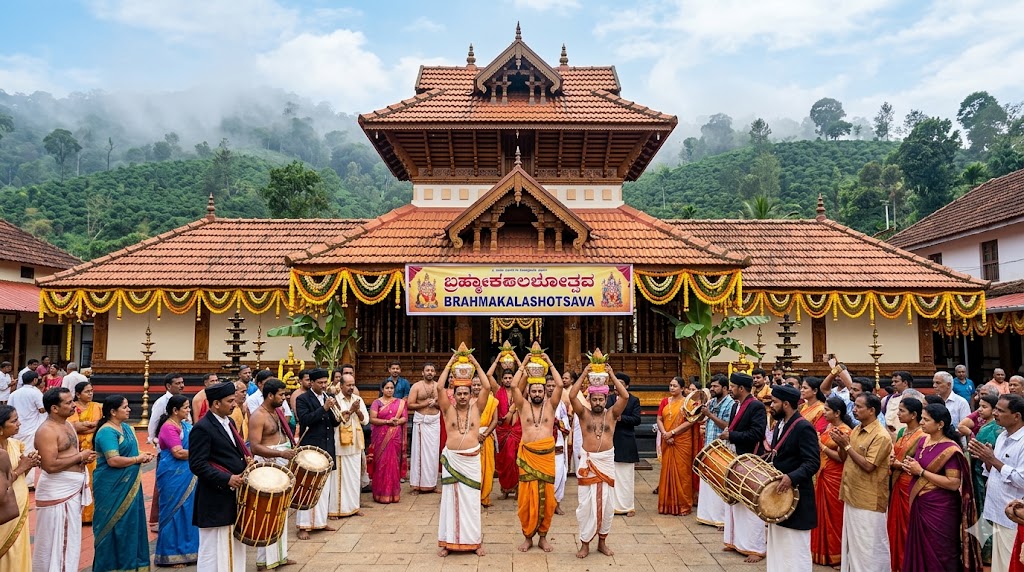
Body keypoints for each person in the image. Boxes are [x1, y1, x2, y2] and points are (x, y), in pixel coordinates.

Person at [897, 403, 981, 570]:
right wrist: (911, 467)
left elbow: (953, 483)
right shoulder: (922, 441)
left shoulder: (950, 449)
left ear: (940, 424)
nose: (921, 422)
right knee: (918, 546)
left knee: (940, 549)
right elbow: (919, 467)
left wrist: (920, 472)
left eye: (926, 420)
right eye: (922, 418)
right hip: (920, 503)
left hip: (941, 508)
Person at [32, 387, 97, 571]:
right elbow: (50, 466)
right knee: (59, 542)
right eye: (68, 402)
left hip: (70, 492)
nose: (74, 405)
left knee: (68, 542)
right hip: (57, 492)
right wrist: (80, 457)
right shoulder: (46, 431)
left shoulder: (66, 423)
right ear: (54, 408)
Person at [189, 381, 250, 571]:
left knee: (234, 546)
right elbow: (197, 464)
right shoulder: (202, 428)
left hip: (232, 496)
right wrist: (227, 479)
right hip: (214, 498)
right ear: (216, 403)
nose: (234, 404)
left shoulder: (229, 422)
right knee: (213, 549)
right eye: (230, 401)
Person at [504, 350, 561, 553]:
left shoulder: (552, 406)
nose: (537, 394)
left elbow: (561, 385)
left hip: (546, 457)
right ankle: (527, 536)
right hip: (528, 456)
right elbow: (512, 385)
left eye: (540, 391)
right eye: (534, 391)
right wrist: (524, 364)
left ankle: (543, 537)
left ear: (545, 391)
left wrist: (549, 363)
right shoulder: (522, 406)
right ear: (528, 391)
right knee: (526, 500)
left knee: (548, 500)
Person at [569, 364, 628, 558]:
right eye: (594, 399)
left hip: (606, 462)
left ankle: (602, 542)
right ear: (589, 399)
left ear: (606, 399)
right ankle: (585, 544)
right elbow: (571, 396)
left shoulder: (611, 414)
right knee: (585, 506)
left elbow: (625, 397)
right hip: (589, 464)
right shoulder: (583, 414)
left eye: (601, 399)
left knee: (608, 505)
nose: (597, 402)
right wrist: (585, 374)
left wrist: (611, 374)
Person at [435, 352, 490, 557]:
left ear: (470, 394)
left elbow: (486, 386)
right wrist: (451, 362)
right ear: (454, 395)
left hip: (471, 460)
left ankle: (474, 542)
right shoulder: (447, 409)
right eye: (459, 393)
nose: (463, 396)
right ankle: (448, 543)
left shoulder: (477, 409)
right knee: (450, 502)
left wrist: (475, 363)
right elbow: (439, 387)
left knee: (472, 502)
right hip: (453, 459)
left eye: (466, 393)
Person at [831, 392, 892, 572]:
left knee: (870, 547)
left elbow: (868, 466)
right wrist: (841, 445)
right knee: (854, 546)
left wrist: (847, 446)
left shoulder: (881, 435)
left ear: (872, 410)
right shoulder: (857, 429)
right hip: (852, 494)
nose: (854, 410)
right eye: (854, 406)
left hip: (869, 499)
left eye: (859, 407)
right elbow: (844, 458)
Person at [93, 394, 154, 572]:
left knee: (131, 524)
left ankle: (132, 565)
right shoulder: (106, 431)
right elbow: (113, 460)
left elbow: (130, 450)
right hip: (111, 486)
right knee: (113, 525)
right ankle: (111, 566)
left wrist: (144, 454)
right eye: (125, 407)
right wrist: (137, 459)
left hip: (130, 486)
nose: (129, 409)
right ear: (113, 411)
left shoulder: (127, 428)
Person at [762, 385, 820, 572]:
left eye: (775, 402)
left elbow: (812, 462)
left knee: (795, 549)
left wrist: (791, 477)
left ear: (786, 404)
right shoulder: (780, 424)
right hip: (781, 498)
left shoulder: (803, 427)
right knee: (779, 547)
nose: (771, 405)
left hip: (798, 498)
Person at [969, 393, 1024, 571]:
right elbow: (993, 472)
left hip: (1015, 518)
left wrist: (993, 460)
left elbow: (1022, 480)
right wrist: (986, 458)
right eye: (996, 409)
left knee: (1012, 564)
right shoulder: (1001, 436)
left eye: (1001, 410)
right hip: (997, 511)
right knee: (999, 566)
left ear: (1016, 416)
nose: (995, 413)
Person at [249, 378, 297, 570]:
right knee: (267, 512)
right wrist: (280, 453)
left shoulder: (277, 411)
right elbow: (254, 447)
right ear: (270, 395)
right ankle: (264, 561)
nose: (284, 397)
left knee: (281, 512)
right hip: (268, 466)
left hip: (282, 463)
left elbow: (283, 436)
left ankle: (280, 555)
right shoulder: (258, 416)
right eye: (281, 394)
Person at [720, 372, 767, 562]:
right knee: (736, 503)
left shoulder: (755, 405)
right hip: (737, 457)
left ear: (741, 388)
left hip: (751, 459)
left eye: (732, 386)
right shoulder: (736, 406)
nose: (730, 389)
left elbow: (756, 433)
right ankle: (737, 542)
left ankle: (755, 548)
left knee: (751, 504)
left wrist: (730, 436)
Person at [295, 369, 341, 539]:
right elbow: (306, 420)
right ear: (311, 382)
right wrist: (324, 408)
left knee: (324, 486)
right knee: (307, 486)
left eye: (325, 382)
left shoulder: (327, 397)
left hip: (327, 446)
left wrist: (336, 410)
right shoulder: (302, 399)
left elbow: (334, 422)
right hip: (311, 448)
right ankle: (303, 525)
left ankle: (320, 521)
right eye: (320, 383)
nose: (323, 386)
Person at [154, 395, 199, 568]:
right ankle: (170, 554)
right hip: (173, 474)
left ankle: (189, 551)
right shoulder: (168, 428)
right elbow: (178, 453)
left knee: (188, 511)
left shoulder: (185, 426)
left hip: (188, 473)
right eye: (186, 408)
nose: (189, 411)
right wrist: (202, 452)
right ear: (175, 410)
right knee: (173, 511)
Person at [812, 396, 852, 567]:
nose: (823, 412)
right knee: (821, 514)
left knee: (835, 517)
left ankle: (837, 555)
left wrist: (820, 445)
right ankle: (821, 552)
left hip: (835, 477)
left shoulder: (845, 431)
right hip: (823, 474)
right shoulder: (828, 426)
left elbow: (841, 458)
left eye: (827, 410)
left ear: (837, 413)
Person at [0, 405, 40, 571]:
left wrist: (29, 464)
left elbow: (17, 476)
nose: (19, 424)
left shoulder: (15, 445)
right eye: (14, 421)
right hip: (4, 516)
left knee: (18, 553)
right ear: (0, 429)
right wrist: (21, 468)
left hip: (18, 510)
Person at [887, 396, 924, 571]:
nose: (898, 413)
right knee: (895, 526)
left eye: (902, 410)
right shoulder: (902, 433)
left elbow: (920, 465)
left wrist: (898, 464)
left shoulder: (923, 436)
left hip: (910, 485)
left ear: (914, 414)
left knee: (907, 527)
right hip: (897, 484)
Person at [656, 376, 699, 516]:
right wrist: (665, 434)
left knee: (682, 473)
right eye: (670, 385)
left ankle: (683, 505)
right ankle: (667, 505)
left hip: (682, 441)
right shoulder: (664, 401)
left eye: (675, 386)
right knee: (666, 471)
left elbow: (691, 422)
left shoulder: (689, 403)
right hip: (667, 440)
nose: (672, 388)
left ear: (682, 388)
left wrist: (673, 433)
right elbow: (659, 419)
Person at [696, 374, 733, 527]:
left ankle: (721, 519)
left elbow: (727, 425)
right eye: (711, 386)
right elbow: (700, 419)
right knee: (707, 482)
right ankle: (707, 516)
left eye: (715, 386)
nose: (712, 389)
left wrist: (710, 414)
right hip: (708, 445)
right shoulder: (711, 402)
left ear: (724, 388)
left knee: (719, 482)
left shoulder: (730, 404)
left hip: (722, 448)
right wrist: (700, 410)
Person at [329, 373, 367, 518]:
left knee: (353, 478)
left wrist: (357, 410)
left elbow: (365, 420)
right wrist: (351, 410)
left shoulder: (358, 399)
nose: (351, 388)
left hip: (355, 444)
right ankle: (336, 510)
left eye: (353, 385)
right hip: (340, 445)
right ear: (341, 385)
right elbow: (339, 420)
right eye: (348, 385)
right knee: (338, 479)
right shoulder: (335, 401)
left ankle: (353, 507)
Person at [606, 371, 640, 517]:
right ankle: (612, 506)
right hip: (611, 439)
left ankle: (628, 506)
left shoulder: (633, 400)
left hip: (626, 440)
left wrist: (621, 418)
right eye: (616, 382)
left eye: (621, 383)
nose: (617, 386)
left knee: (626, 476)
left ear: (627, 386)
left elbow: (637, 420)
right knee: (611, 474)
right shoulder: (609, 399)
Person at [68, 381, 101, 523]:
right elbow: (73, 426)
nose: (90, 393)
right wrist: (91, 425)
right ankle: (80, 515)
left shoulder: (98, 406)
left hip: (94, 449)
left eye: (91, 391)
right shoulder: (73, 408)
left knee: (93, 482)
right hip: (78, 449)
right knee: (78, 482)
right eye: (87, 391)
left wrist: (88, 426)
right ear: (77, 394)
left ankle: (91, 515)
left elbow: (100, 424)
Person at [369, 378, 406, 504]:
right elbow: (372, 419)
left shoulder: (400, 402)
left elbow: (404, 418)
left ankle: (393, 494)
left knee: (393, 463)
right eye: (387, 388)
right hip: (380, 437)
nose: (389, 390)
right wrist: (387, 422)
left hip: (395, 436)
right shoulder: (376, 403)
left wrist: (396, 421)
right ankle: (380, 494)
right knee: (381, 464)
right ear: (382, 389)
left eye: (391, 388)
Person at [408, 363, 443, 494]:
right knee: (419, 454)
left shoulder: (439, 387)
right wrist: (424, 403)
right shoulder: (416, 386)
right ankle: (416, 485)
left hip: (434, 422)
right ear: (422, 373)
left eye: (432, 370)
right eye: (427, 370)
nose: (429, 372)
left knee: (433, 454)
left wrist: (436, 403)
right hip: (421, 422)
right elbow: (409, 405)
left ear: (435, 373)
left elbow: (444, 406)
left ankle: (431, 485)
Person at [9, 371, 45, 487]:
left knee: (16, 453)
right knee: (29, 454)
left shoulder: (14, 393)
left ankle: (15, 476)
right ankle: (27, 483)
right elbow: (42, 409)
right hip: (30, 428)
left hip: (15, 427)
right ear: (34, 380)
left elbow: (9, 409)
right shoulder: (35, 393)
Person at [493, 364, 522, 499]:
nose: (508, 380)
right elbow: (488, 375)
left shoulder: (518, 391)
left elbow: (525, 374)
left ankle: (517, 489)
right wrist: (499, 358)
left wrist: (515, 357)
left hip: (516, 430)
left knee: (515, 459)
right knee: (504, 461)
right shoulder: (498, 390)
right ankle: (505, 490)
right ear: (502, 379)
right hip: (502, 430)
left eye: (510, 377)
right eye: (505, 378)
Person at [545, 375, 570, 514]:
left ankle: (556, 504)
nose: (550, 388)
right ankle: (545, 503)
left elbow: (565, 421)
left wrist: (558, 424)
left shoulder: (561, 404)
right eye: (548, 386)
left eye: (553, 386)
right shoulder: (539, 403)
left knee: (560, 473)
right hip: (542, 442)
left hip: (558, 441)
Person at [474, 373, 499, 507]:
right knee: (474, 468)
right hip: (471, 438)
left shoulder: (491, 400)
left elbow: (495, 420)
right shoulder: (468, 400)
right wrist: (475, 434)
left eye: (480, 385)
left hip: (487, 436)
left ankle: (484, 496)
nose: (477, 387)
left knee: (488, 467)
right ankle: (473, 497)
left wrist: (485, 433)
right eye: (475, 385)